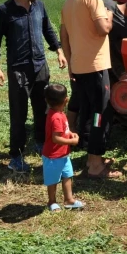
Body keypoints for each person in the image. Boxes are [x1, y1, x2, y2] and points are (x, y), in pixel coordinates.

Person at [0, 0, 67, 173]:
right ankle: (16, 155)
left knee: (43, 109)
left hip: (40, 66)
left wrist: (58, 50)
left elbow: (47, 29)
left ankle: (40, 142)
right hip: (18, 69)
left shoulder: (39, 6)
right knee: (18, 113)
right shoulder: (4, 11)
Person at [60, 0, 121, 178]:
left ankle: (91, 158)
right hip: (96, 67)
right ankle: (95, 165)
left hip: (79, 67)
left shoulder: (70, 0)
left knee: (89, 112)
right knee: (100, 114)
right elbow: (103, 29)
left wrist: (70, 62)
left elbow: (64, 36)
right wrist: (109, 16)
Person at [43, 83, 84, 212]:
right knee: (53, 180)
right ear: (66, 100)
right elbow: (55, 138)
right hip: (53, 156)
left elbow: (62, 131)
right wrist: (71, 141)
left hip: (63, 155)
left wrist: (70, 133)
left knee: (67, 175)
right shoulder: (56, 118)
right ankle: (52, 202)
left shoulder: (59, 113)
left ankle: (69, 200)